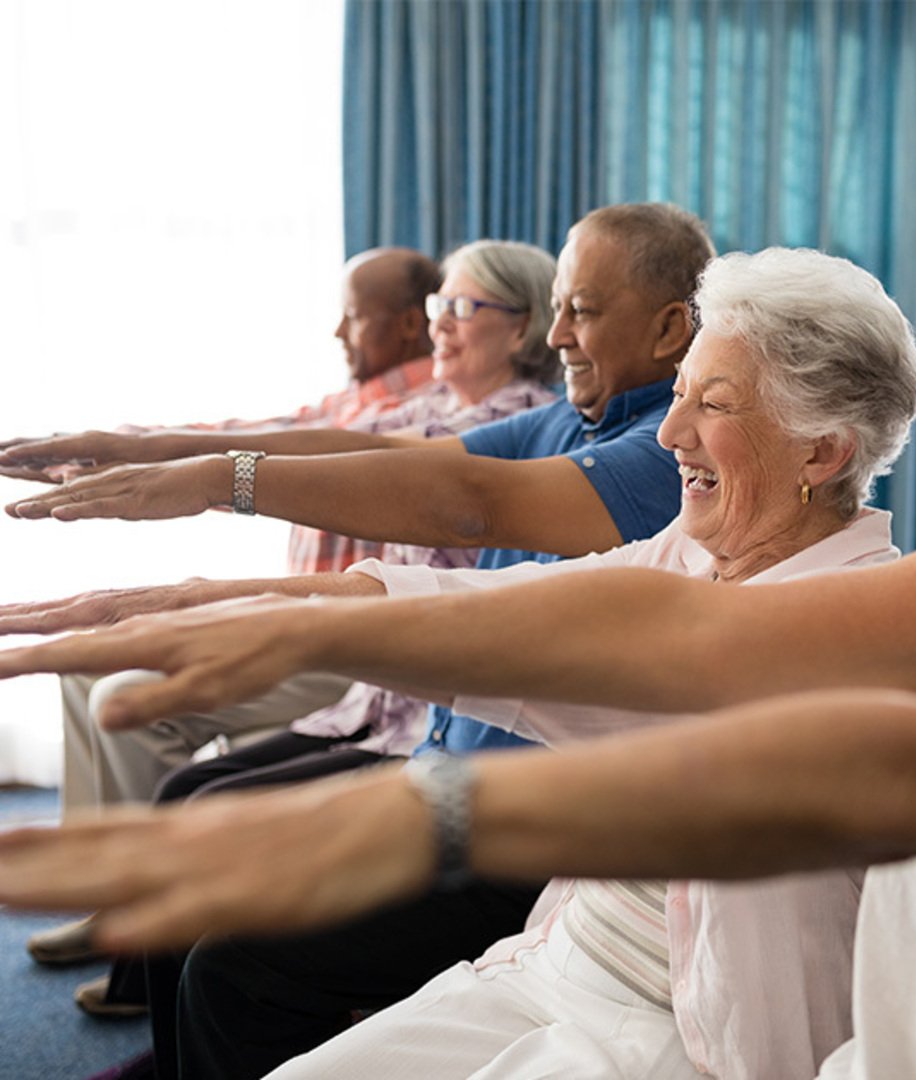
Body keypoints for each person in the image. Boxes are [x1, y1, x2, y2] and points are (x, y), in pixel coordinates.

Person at [3, 209, 916, 1079]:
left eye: (708, 404)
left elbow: (719, 673)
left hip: (687, 1029)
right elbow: (491, 584)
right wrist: (246, 595)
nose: (666, 433)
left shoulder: (865, 607)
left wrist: (421, 807)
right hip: (554, 956)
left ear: (823, 452)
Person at [0, 203, 712, 1076]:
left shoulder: (659, 455)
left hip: (525, 819)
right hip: (442, 767)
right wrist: (150, 454)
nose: (559, 333)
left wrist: (214, 507)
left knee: (234, 951)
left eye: (584, 311)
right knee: (213, 879)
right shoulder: (577, 422)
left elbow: (467, 504)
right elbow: (373, 449)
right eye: (558, 306)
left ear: (673, 326)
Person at [28, 236, 559, 1014]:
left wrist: (191, 486)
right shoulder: (431, 404)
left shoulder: (521, 421)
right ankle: (143, 964)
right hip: (369, 693)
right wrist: (134, 454)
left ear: (523, 328)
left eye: (462, 307)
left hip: (413, 700)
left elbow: (365, 459)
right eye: (438, 304)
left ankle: (152, 976)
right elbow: (306, 439)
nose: (442, 322)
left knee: (198, 798)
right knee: (186, 781)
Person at [0, 245, 442, 575]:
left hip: (347, 636)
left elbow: (285, 455)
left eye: (354, 316)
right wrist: (120, 447)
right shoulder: (352, 400)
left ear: (409, 324)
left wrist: (138, 454)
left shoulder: (430, 413)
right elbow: (254, 432)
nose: (338, 331)